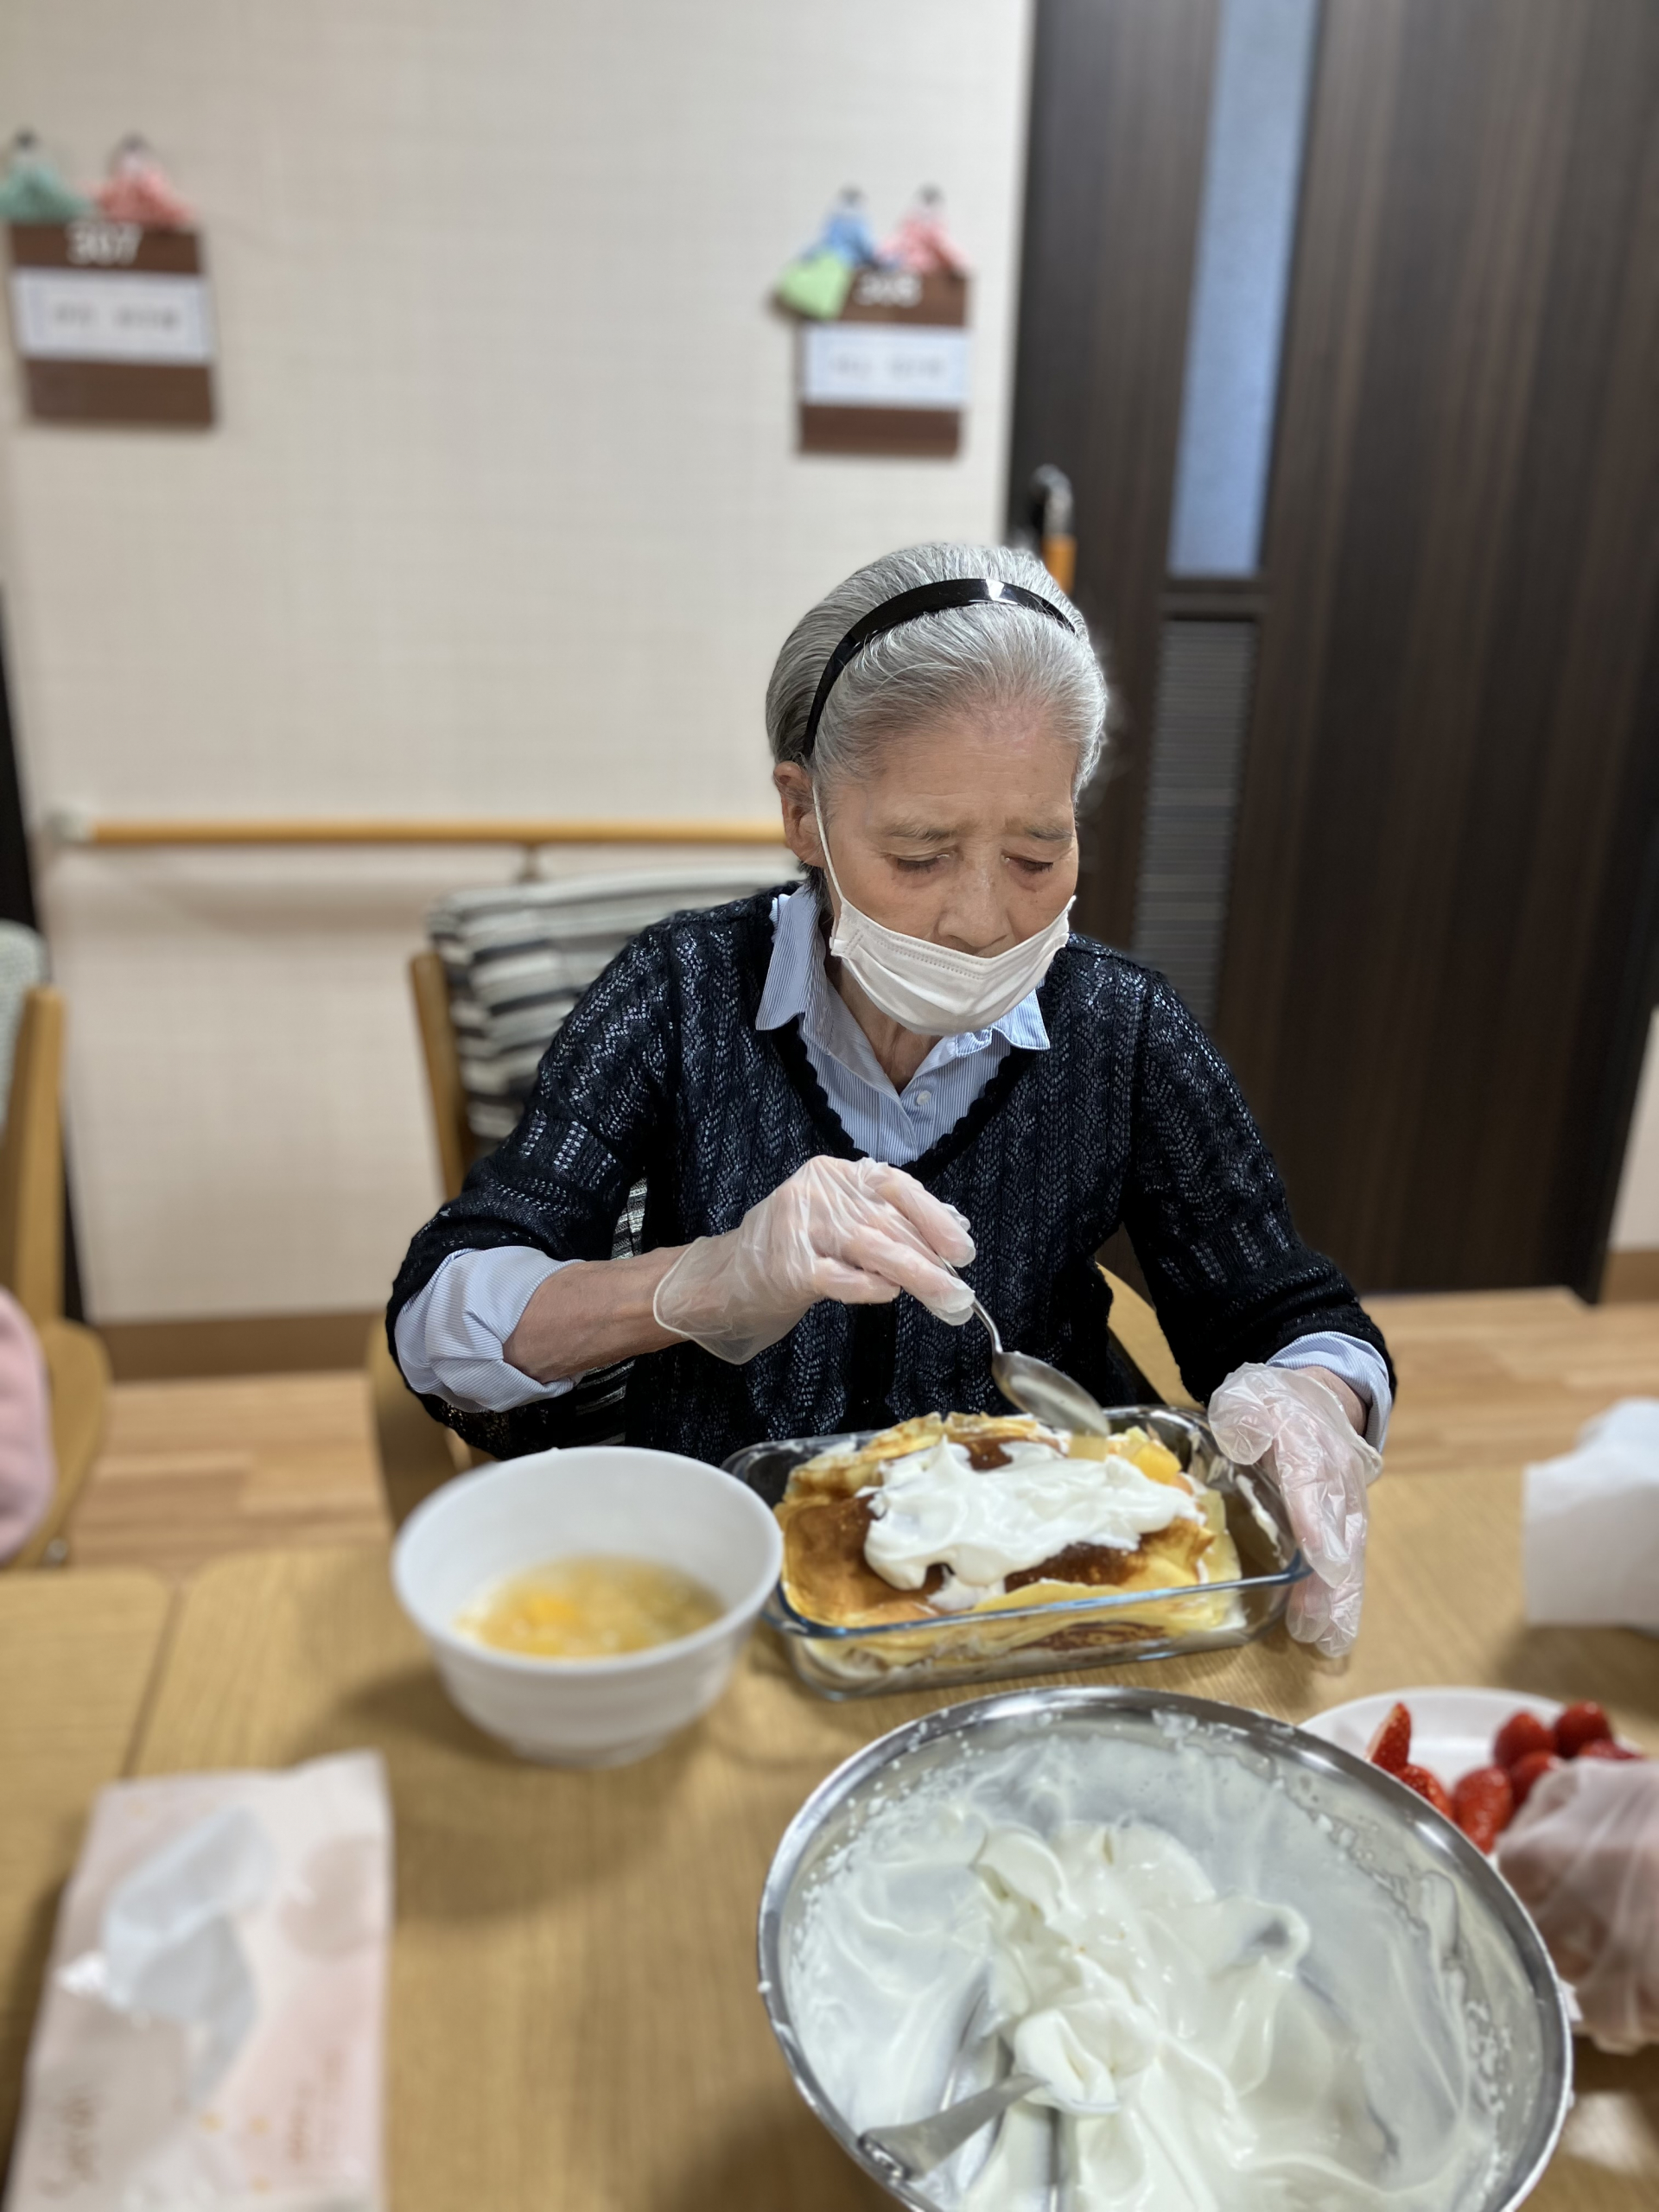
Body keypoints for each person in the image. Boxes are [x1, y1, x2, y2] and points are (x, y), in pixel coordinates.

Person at [389, 543, 1391, 1653]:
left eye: (1038, 852)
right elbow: (442, 1314)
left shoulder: (1124, 1028)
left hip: (1051, 1587)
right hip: (730, 1583)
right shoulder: (679, 993)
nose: (982, 919)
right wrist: (698, 1282)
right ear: (804, 813)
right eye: (920, 855)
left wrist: (1313, 1401)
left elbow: (1289, 1315)